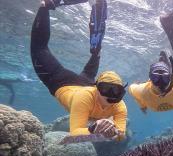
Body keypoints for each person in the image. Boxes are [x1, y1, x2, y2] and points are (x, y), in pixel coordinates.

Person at [31, 0, 127, 140]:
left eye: (117, 91)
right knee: (39, 49)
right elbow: (75, 132)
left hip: (86, 82)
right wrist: (94, 129)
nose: (110, 95)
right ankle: (46, 5)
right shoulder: (85, 98)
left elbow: (121, 136)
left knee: (91, 64)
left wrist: (114, 132)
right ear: (97, 87)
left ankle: (96, 52)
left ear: (122, 93)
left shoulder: (120, 106)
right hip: (61, 81)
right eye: (106, 88)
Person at [128, 12, 173, 113]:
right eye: (156, 78)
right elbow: (131, 89)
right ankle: (169, 57)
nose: (160, 84)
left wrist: (143, 105)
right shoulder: (142, 91)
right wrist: (142, 105)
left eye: (164, 78)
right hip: (172, 77)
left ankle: (167, 58)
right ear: (150, 79)